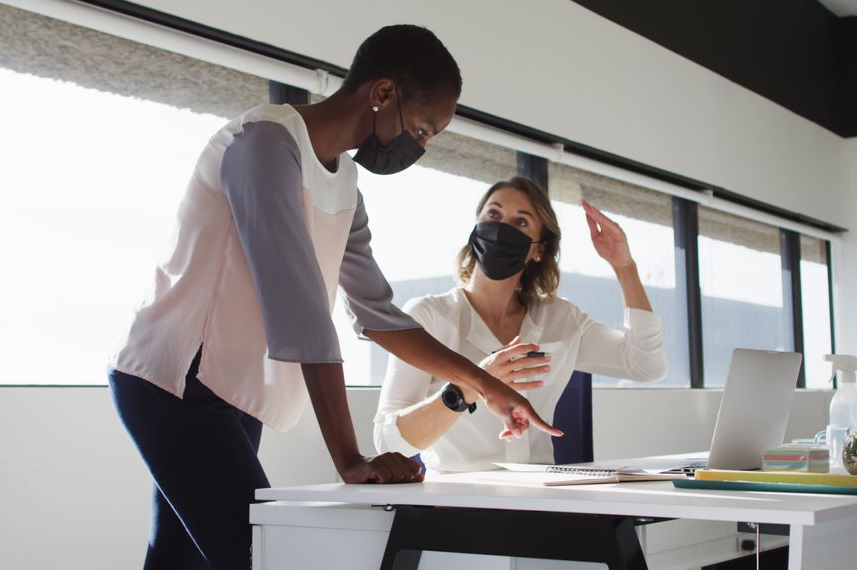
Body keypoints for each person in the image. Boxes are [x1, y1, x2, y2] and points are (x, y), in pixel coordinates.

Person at [107, 26, 558, 570]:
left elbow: (379, 316)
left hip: (232, 388)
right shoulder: (264, 145)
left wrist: (487, 386)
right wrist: (349, 459)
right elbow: (298, 313)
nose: (419, 146)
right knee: (262, 555)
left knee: (181, 557)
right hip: (172, 380)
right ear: (383, 93)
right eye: (421, 129)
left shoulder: (346, 186)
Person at [374, 176, 666, 472]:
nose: (502, 229)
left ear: (538, 249)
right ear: (476, 228)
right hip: (458, 501)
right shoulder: (429, 316)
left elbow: (645, 364)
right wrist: (473, 385)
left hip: (540, 498)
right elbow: (388, 443)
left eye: (521, 223)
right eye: (493, 215)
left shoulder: (560, 319)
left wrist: (625, 267)